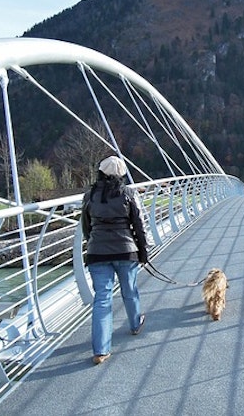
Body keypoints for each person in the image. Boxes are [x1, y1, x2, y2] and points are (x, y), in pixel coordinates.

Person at [80, 155, 153, 365]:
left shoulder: (90, 195)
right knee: (129, 290)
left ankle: (101, 351)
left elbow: (86, 227)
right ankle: (135, 324)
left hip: (97, 252)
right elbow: (139, 224)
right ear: (122, 175)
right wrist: (143, 250)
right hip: (125, 250)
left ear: (100, 172)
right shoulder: (128, 194)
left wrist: (94, 241)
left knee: (102, 299)